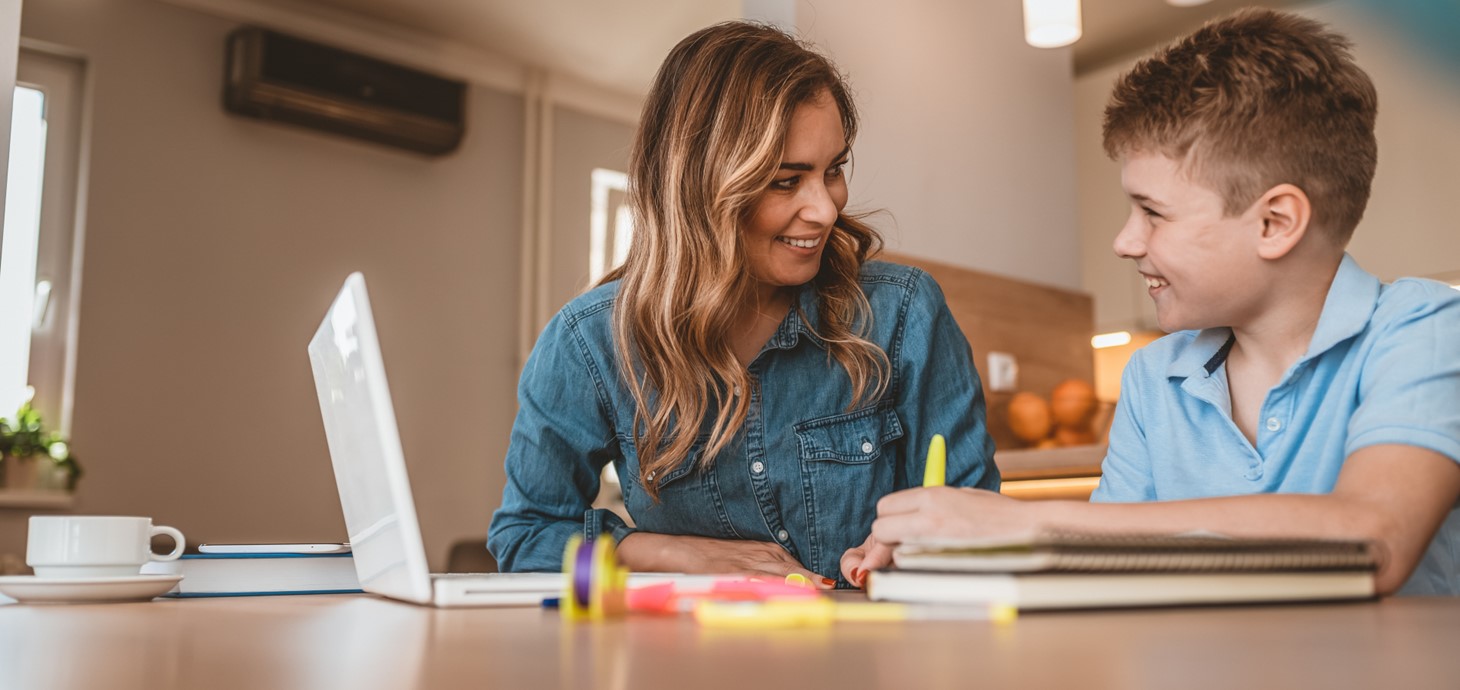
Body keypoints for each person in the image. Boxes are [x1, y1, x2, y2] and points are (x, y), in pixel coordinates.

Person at [845, 8, 1460, 595]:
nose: (1124, 240)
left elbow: (1375, 538)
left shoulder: (1424, 329)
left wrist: (1032, 521)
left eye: (1152, 212)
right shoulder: (1154, 376)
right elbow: (1104, 567)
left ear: (1275, 222)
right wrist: (952, 550)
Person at [488, 21, 998, 585]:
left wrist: (920, 550)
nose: (825, 210)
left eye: (833, 171)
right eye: (786, 181)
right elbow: (527, 534)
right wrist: (675, 553)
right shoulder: (590, 342)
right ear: (701, 188)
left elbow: (979, 525)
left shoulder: (904, 313)